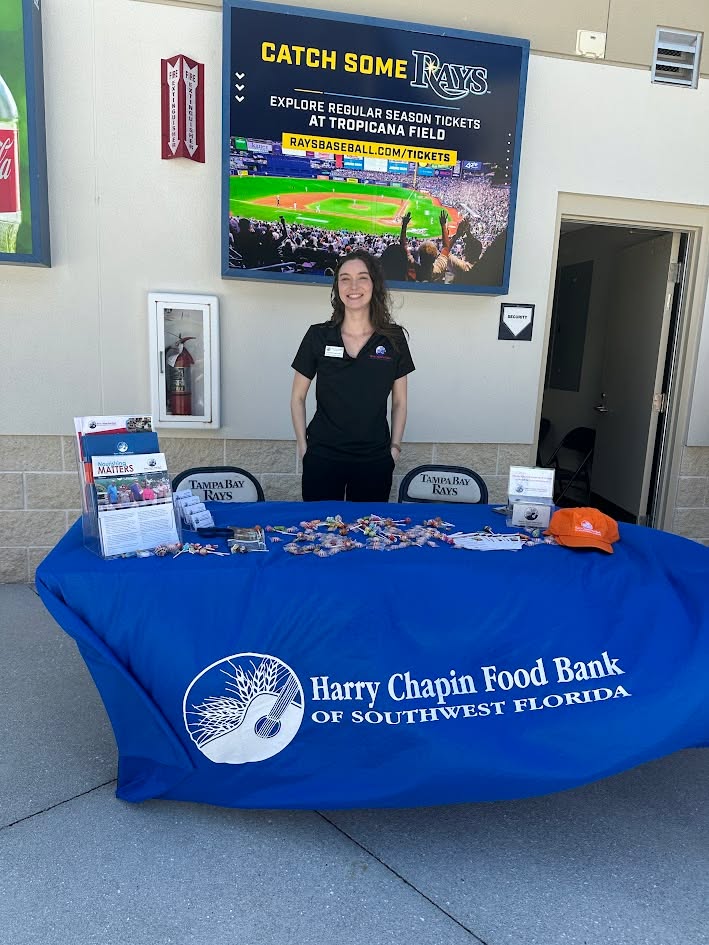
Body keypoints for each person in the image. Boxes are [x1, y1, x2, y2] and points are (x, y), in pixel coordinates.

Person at [290, 250, 414, 502]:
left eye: (362, 277)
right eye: (345, 278)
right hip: (323, 456)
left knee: (368, 536)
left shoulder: (393, 339)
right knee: (319, 533)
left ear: (374, 284)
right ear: (337, 286)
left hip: (374, 459)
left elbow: (400, 402)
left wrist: (395, 448)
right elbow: (297, 398)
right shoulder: (318, 336)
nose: (353, 286)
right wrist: (304, 447)